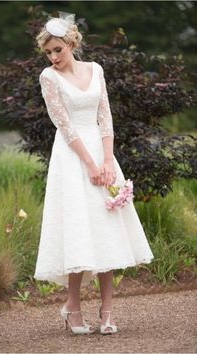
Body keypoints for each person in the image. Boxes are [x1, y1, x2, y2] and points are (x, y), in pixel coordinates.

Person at [34, 11, 154, 335]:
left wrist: (106, 160)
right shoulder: (49, 78)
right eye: (48, 53)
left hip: (102, 155)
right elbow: (65, 125)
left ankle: (108, 312)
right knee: (79, 230)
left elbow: (106, 117)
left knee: (106, 231)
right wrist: (90, 164)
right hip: (73, 157)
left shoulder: (96, 70)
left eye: (58, 49)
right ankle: (72, 308)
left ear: (72, 43)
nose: (53, 57)